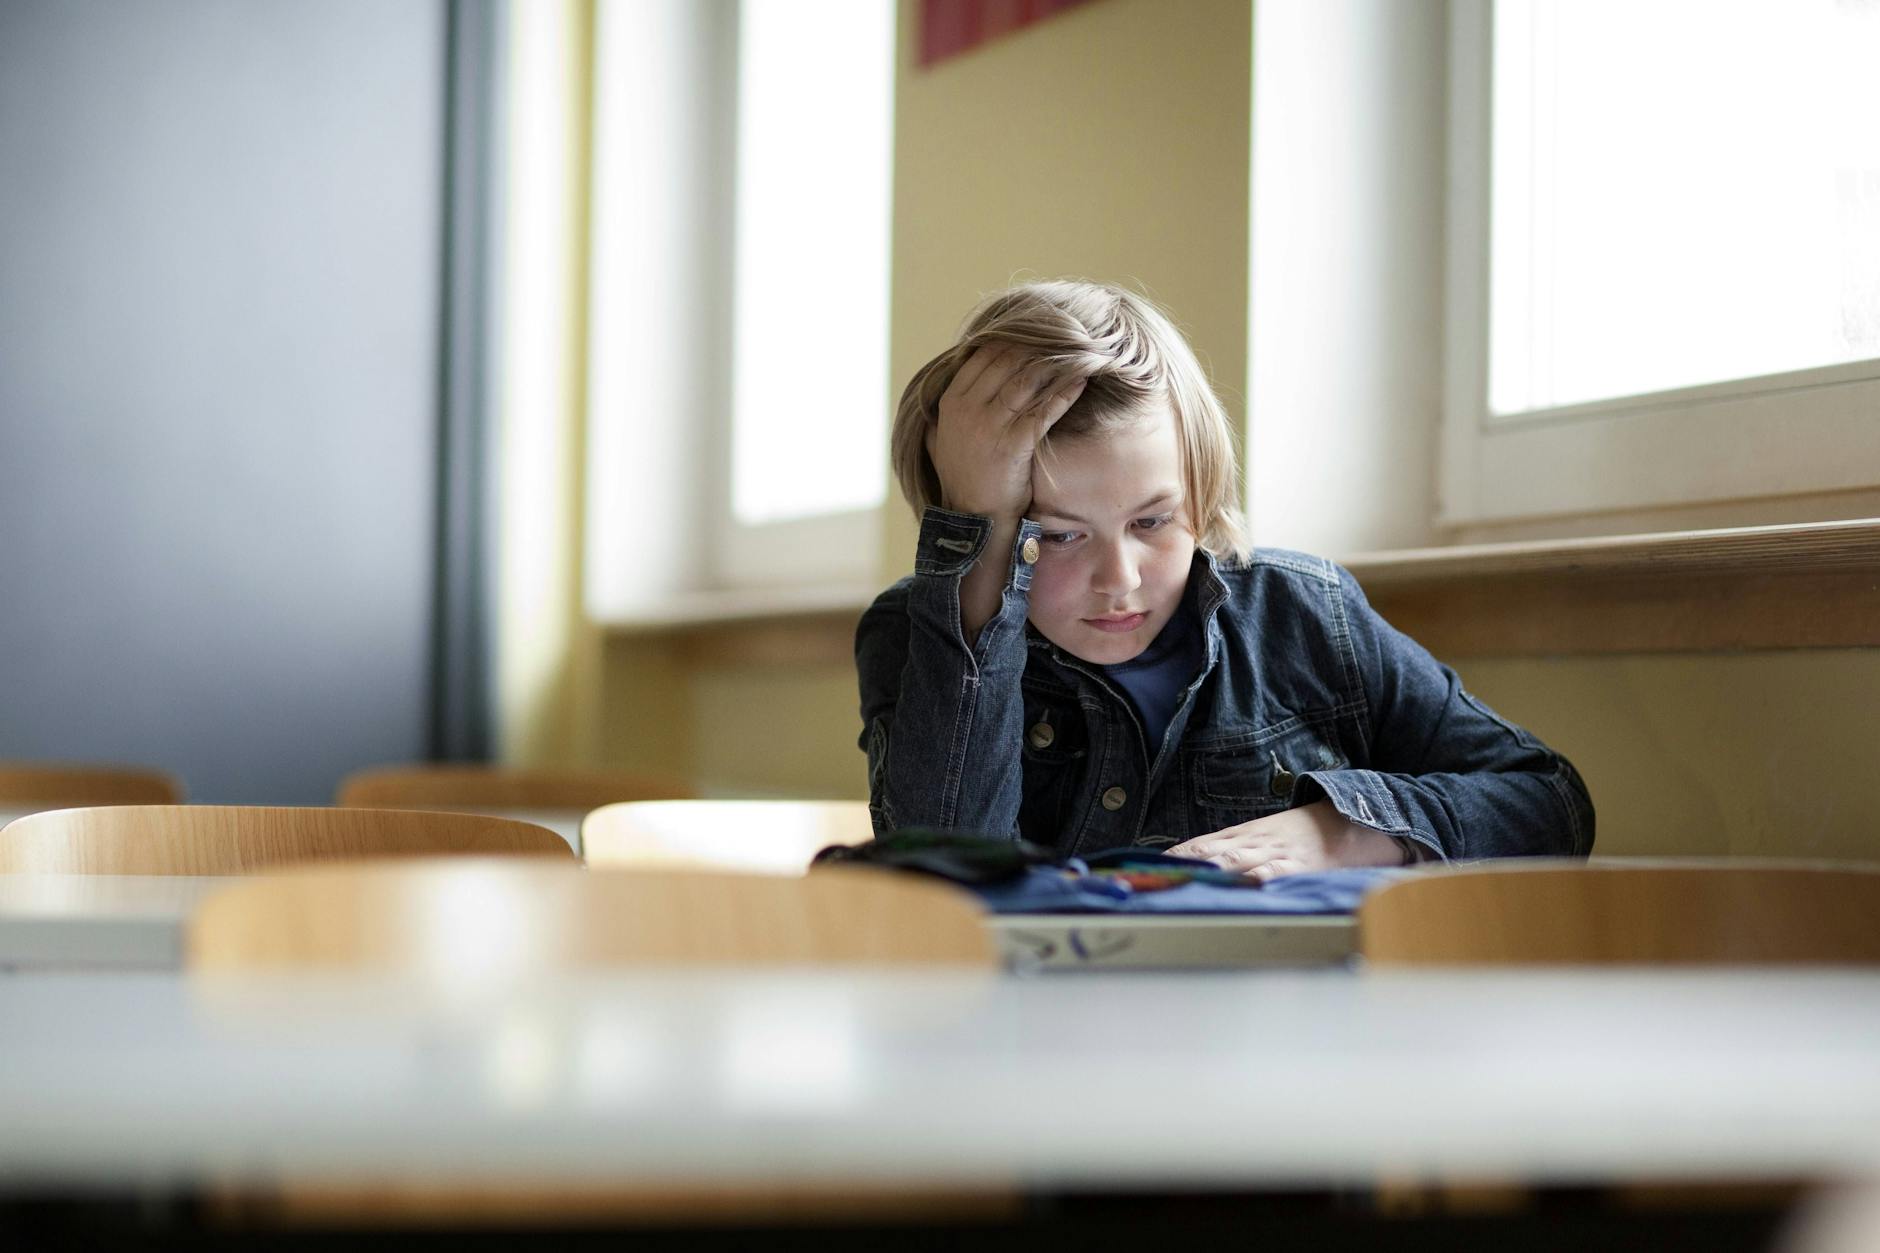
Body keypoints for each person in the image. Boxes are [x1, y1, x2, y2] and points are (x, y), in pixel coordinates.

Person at [855, 280, 1593, 878]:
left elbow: (1549, 801)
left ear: (1202, 494)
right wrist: (979, 537)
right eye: (1057, 534)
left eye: (1152, 522)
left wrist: (1345, 831)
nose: (1120, 580)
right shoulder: (914, 636)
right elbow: (941, 881)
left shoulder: (1307, 615)